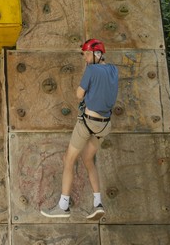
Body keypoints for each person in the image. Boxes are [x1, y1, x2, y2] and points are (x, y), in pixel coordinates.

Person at [41, 37, 119, 220]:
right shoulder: (114, 70)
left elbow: (78, 95)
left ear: (96, 54)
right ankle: (98, 203)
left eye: (86, 55)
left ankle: (63, 206)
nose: (85, 58)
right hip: (104, 125)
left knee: (68, 159)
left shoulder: (91, 70)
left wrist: (88, 76)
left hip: (87, 123)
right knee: (88, 159)